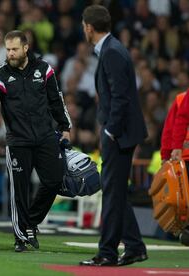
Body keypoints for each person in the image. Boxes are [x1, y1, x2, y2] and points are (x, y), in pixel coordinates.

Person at [0, 30, 71, 252]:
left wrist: (65, 127)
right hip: (18, 141)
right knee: (19, 190)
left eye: (14, 49)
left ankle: (30, 221)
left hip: (45, 137)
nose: (10, 53)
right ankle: (20, 236)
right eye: (8, 49)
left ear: (25, 48)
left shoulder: (44, 70)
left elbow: (56, 99)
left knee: (54, 180)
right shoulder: (0, 76)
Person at [80, 5, 148, 266]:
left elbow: (121, 97)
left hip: (118, 135)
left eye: (83, 26)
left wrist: (110, 131)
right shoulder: (112, 49)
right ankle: (134, 246)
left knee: (111, 192)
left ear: (89, 27)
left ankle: (107, 252)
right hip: (120, 133)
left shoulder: (112, 53)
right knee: (116, 191)